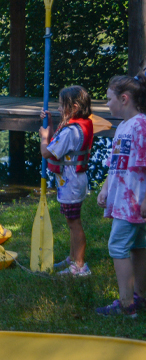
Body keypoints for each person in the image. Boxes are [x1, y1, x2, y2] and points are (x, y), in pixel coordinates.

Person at [95, 73, 146, 317]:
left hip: (134, 202)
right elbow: (117, 162)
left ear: (124, 99)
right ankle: (140, 297)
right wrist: (106, 187)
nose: (106, 104)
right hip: (124, 201)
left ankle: (127, 305)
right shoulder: (123, 126)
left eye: (109, 99)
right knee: (137, 246)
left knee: (117, 246)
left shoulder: (141, 126)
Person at [39, 85, 94, 276]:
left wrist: (43, 138)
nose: (59, 108)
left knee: (74, 224)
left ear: (75, 107)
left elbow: (47, 151)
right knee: (72, 222)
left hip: (71, 184)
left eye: (63, 105)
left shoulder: (71, 131)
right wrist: (52, 126)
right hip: (72, 182)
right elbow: (58, 144)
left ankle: (79, 266)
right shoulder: (75, 126)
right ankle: (72, 258)